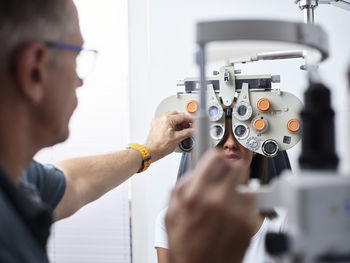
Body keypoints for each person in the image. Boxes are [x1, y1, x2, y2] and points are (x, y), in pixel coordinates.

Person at [0, 0, 257, 262]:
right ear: (34, 69)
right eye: (77, 56)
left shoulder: (20, 181)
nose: (80, 80)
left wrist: (149, 150)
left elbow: (74, 181)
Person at [155, 114, 288, 263]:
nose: (230, 143)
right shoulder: (173, 219)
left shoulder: (284, 221)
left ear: (256, 145)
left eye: (241, 132)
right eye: (218, 132)